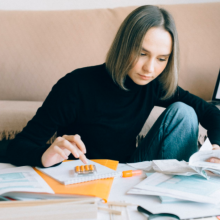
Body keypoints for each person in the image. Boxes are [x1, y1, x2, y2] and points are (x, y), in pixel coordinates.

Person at [6, 5, 220, 168]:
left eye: (162, 59)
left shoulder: (153, 84)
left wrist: (217, 147)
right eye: (142, 53)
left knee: (184, 112)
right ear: (124, 46)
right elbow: (18, 147)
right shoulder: (75, 86)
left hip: (128, 171)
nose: (150, 68)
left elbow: (211, 113)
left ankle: (181, 197)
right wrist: (46, 155)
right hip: (81, 173)